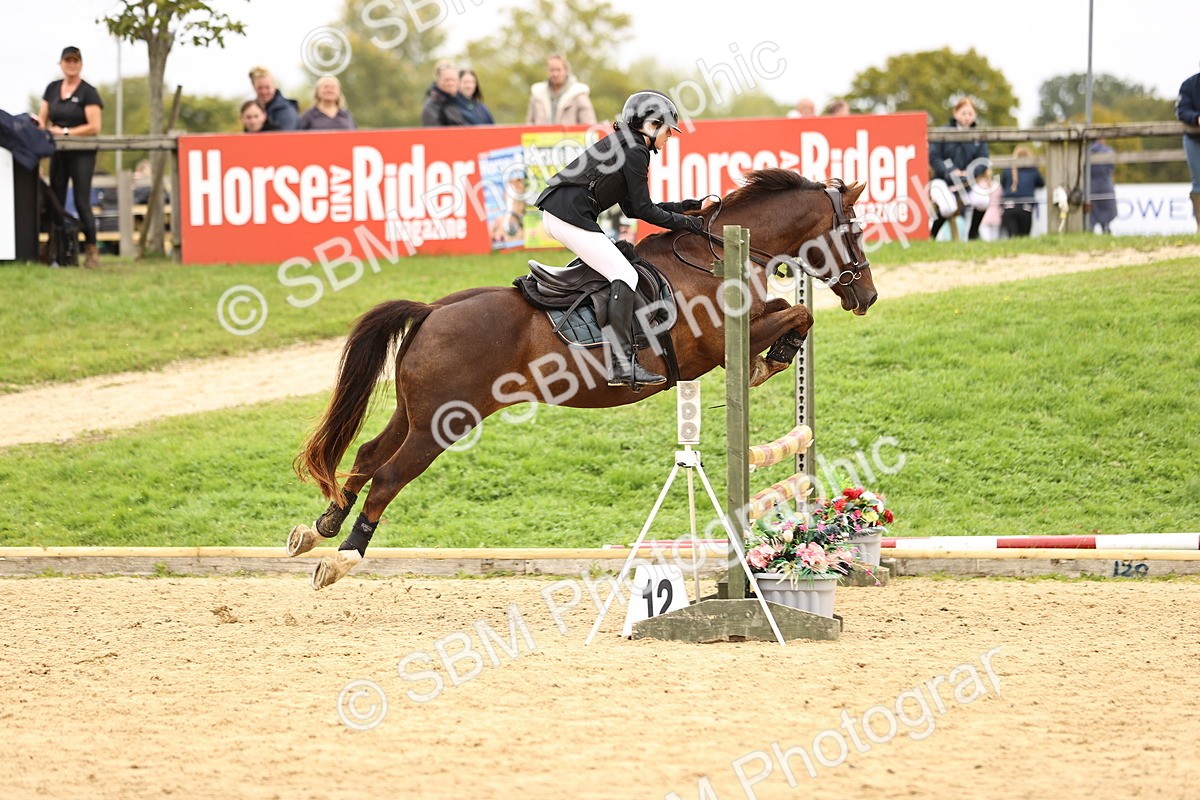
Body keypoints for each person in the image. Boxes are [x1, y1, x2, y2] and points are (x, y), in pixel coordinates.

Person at [534, 91, 705, 387]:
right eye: (667, 130)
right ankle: (622, 365)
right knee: (625, 274)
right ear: (651, 126)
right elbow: (642, 209)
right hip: (567, 216)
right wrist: (688, 224)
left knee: (618, 269)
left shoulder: (627, 144)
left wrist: (680, 208)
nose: (669, 138)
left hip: (561, 213)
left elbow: (630, 206)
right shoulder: (635, 150)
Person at [38, 46, 103, 268]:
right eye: (68, 61)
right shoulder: (52, 89)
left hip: (82, 153)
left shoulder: (89, 92)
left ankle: (91, 249)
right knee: (55, 198)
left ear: (81, 64)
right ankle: (57, 251)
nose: (71, 64)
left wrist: (65, 132)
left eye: (75, 61)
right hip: (58, 152)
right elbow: (42, 120)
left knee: (81, 200)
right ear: (61, 63)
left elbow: (94, 126)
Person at [929, 97, 989, 241]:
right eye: (963, 113)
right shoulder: (942, 132)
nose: (967, 117)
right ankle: (932, 235)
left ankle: (973, 234)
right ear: (955, 114)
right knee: (947, 207)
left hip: (967, 184)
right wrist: (950, 171)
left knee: (983, 199)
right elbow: (934, 157)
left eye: (970, 113)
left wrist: (970, 172)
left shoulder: (978, 136)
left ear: (975, 115)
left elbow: (983, 160)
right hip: (942, 180)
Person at [525, 54, 597, 126]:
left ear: (566, 71)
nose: (555, 74)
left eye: (558, 70)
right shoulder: (537, 95)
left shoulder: (579, 95)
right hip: (541, 137)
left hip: (570, 137)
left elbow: (589, 125)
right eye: (551, 70)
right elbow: (529, 124)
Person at [999, 145, 1044, 238]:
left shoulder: (1007, 170)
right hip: (1026, 208)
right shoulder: (1033, 171)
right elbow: (1041, 184)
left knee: (1012, 237)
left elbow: (1002, 184)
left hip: (1009, 207)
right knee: (1024, 237)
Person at [1176, 63, 1200, 230]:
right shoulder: (1189, 84)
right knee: (1198, 183)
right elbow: (1181, 111)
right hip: (1194, 138)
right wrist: (1197, 118)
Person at [248, 66, 299, 131]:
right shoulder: (252, 109)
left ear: (274, 86)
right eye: (259, 88)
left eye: (267, 87)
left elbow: (285, 138)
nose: (264, 92)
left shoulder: (286, 111)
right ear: (254, 87)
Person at [421, 61, 467, 126]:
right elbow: (433, 133)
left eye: (453, 80)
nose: (451, 83)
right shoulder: (432, 105)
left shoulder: (461, 101)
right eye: (447, 80)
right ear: (437, 81)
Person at [1089, 138, 1117, 234]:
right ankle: (1106, 229)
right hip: (1106, 186)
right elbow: (1112, 167)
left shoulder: (1086, 151)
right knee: (1106, 217)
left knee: (1090, 217)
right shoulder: (1108, 151)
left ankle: (1089, 234)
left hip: (1090, 188)